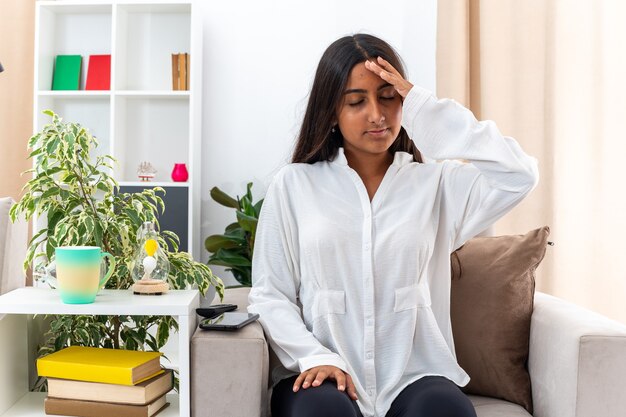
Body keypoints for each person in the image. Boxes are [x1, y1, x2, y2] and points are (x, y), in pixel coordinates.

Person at [248, 34, 538, 417]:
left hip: (414, 375)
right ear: (332, 110)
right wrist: (314, 356)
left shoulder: (436, 185)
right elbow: (270, 294)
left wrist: (424, 107)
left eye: (389, 96)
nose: (376, 114)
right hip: (323, 373)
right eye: (356, 101)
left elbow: (519, 175)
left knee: (445, 412)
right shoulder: (294, 184)